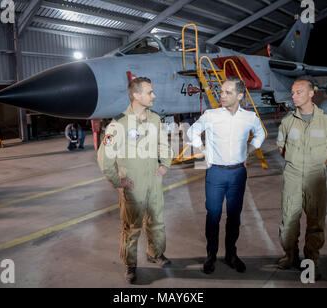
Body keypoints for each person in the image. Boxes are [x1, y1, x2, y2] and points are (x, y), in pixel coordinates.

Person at [97, 77, 173, 284]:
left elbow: (164, 144)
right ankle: (130, 264)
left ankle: (155, 253)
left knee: (157, 221)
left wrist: (165, 163)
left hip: (154, 182)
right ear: (136, 95)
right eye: (150, 92)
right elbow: (104, 159)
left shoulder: (155, 118)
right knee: (132, 227)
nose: (154, 95)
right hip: (133, 185)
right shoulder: (119, 124)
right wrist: (117, 181)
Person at [187, 77, 265, 274]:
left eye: (227, 92)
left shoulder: (249, 117)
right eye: (221, 92)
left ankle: (231, 254)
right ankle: (211, 255)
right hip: (215, 173)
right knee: (213, 215)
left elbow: (260, 133)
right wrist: (202, 150)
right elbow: (192, 131)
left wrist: (250, 149)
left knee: (234, 216)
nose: (222, 95)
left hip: (238, 174)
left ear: (240, 95)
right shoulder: (211, 115)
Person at [276, 76, 327, 280]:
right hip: (293, 176)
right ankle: (289, 256)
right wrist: (296, 163)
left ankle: (311, 262)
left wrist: (319, 165)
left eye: (298, 92)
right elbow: (282, 148)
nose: (294, 96)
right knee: (289, 220)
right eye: (292, 93)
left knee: (316, 221)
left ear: (311, 93)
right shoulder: (288, 121)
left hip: (316, 177)